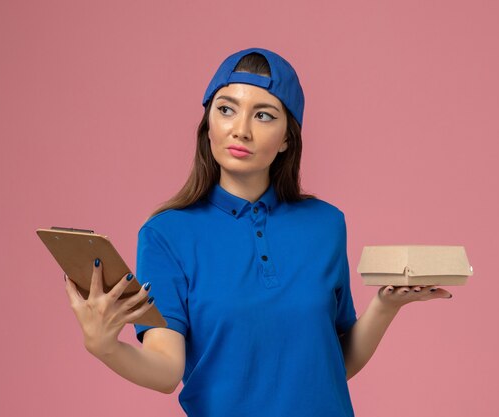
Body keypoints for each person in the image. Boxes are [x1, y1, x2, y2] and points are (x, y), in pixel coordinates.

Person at [64, 47, 453, 417]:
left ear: (287, 138)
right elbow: (167, 370)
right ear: (208, 123)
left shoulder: (326, 224)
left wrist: (385, 306)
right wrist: (105, 347)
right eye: (227, 109)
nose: (241, 130)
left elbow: (334, 364)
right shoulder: (166, 234)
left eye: (263, 115)